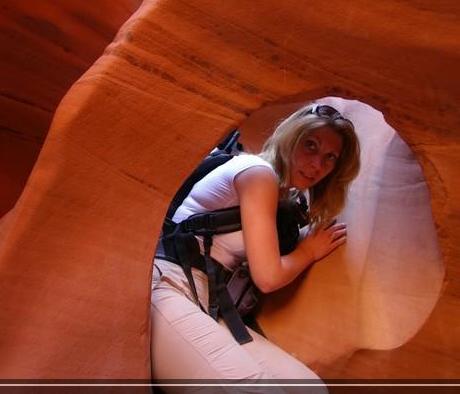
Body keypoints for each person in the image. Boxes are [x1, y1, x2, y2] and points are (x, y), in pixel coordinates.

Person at [150, 102, 361, 390]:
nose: (317, 165)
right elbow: (268, 277)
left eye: (330, 158)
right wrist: (308, 251)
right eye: (310, 145)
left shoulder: (288, 201)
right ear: (290, 137)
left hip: (211, 303)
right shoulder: (258, 174)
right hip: (167, 287)